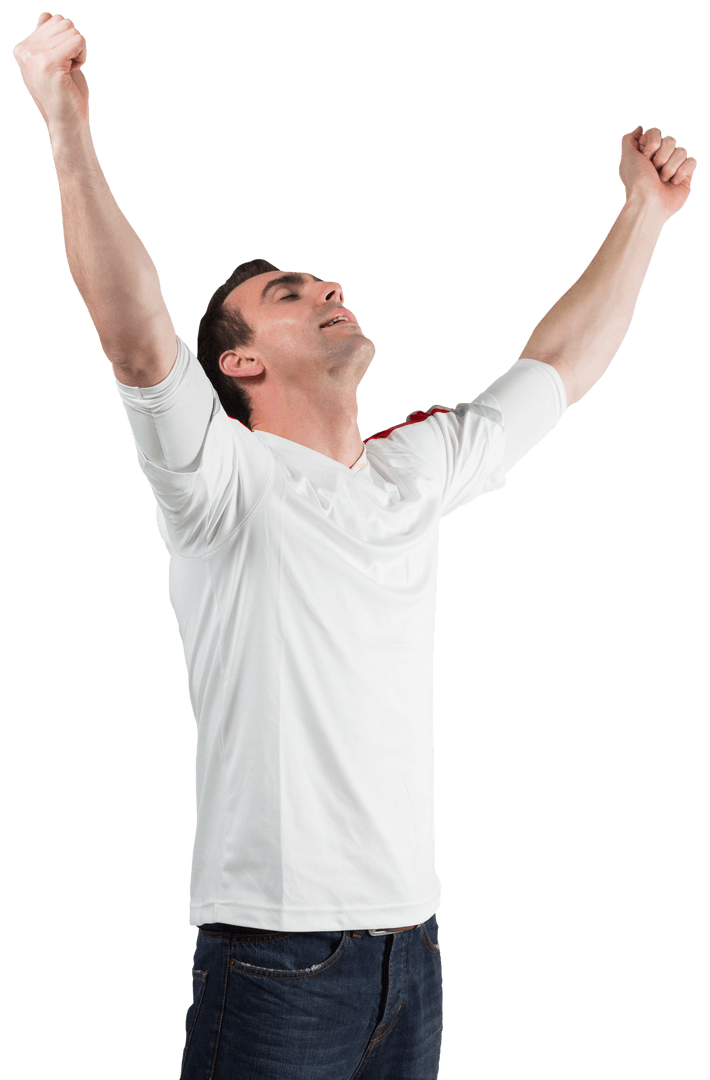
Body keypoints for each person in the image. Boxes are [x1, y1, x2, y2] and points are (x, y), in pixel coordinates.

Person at [12, 11, 698, 1080]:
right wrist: (64, 121)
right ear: (236, 369)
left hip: (412, 950)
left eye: (321, 281)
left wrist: (643, 215)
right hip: (275, 960)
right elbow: (134, 325)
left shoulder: (406, 472)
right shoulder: (216, 481)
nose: (327, 287)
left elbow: (554, 367)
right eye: (288, 296)